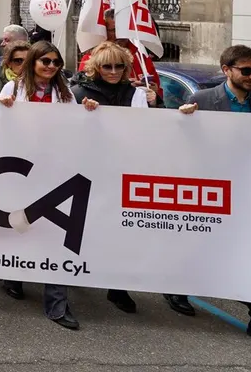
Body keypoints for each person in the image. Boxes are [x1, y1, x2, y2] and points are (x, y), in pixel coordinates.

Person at [174, 45, 251, 349]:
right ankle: (177, 287)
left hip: (244, 191)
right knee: (195, 241)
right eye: (247, 70)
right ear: (227, 69)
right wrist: (182, 120)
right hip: (208, 190)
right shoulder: (202, 100)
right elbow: (179, 143)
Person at [0, 41, 78, 329]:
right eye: (46, 61)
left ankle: (57, 304)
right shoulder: (12, 90)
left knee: (56, 234)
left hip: (54, 170)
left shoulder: (66, 94)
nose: (51, 67)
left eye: (56, 62)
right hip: (19, 170)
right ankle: (13, 275)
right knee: (20, 225)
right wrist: (2, 110)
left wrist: (90, 112)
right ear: (32, 62)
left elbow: (78, 128)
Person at [67, 41, 147, 316]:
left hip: (120, 169)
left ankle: (117, 286)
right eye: (107, 66)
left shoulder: (134, 95)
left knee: (118, 228)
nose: (113, 71)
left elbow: (143, 129)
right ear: (96, 68)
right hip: (84, 167)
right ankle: (73, 273)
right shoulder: (77, 93)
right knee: (78, 225)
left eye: (118, 66)